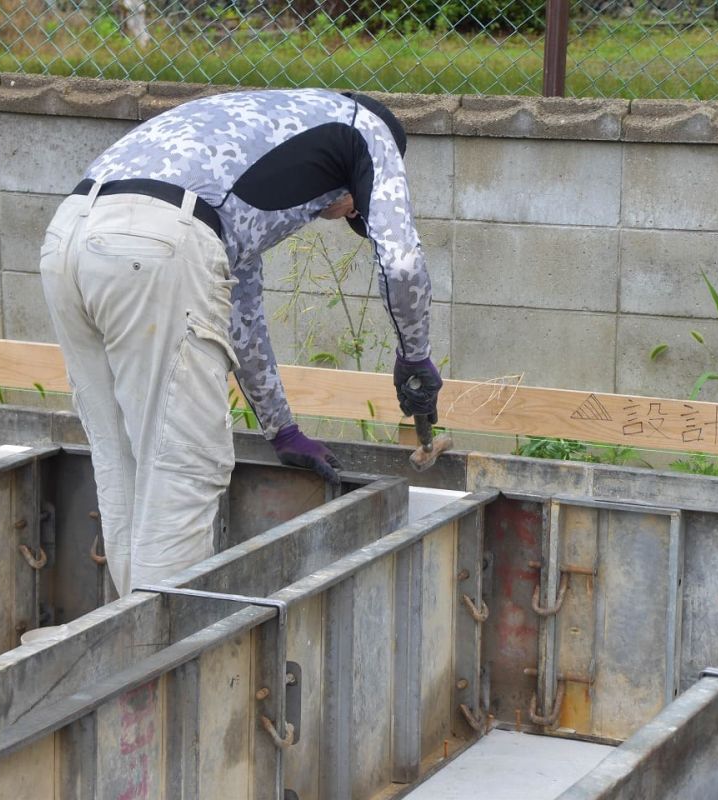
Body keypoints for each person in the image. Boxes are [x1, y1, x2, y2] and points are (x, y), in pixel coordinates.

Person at [39, 88, 442, 596]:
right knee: (186, 464)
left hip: (67, 238)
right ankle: (165, 657)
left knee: (124, 460)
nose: (343, 218)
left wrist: (283, 430)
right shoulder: (372, 130)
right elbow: (402, 263)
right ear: (357, 189)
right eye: (352, 213)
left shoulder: (256, 129)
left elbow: (240, 316)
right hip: (156, 244)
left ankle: (130, 639)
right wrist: (415, 355)